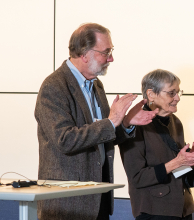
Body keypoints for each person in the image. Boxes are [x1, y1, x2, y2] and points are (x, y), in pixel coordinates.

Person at [35, 23, 157, 220]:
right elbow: (64, 140)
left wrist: (124, 123)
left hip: (97, 197)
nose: (111, 58)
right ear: (84, 54)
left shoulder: (96, 85)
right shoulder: (54, 86)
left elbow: (102, 135)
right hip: (67, 204)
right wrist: (112, 121)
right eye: (106, 52)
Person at [119, 69, 194, 220]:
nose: (177, 98)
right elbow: (137, 178)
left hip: (183, 209)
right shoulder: (134, 126)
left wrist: (191, 161)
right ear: (151, 94)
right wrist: (177, 162)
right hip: (154, 212)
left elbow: (177, 172)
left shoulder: (176, 122)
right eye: (171, 93)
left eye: (179, 92)